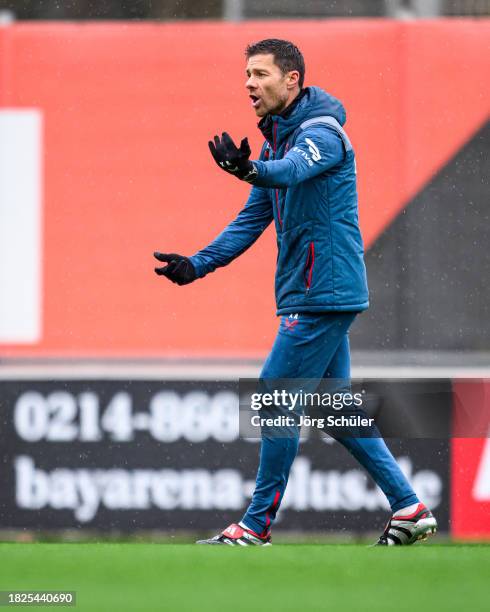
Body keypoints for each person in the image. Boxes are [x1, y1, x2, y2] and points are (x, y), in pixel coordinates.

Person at [153, 39, 437, 546]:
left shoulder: (321, 133)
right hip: (315, 292)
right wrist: (195, 265)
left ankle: (256, 526)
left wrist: (249, 170)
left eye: (260, 74)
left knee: (273, 396)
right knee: (332, 409)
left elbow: (291, 172)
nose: (248, 83)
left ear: (292, 80)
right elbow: (250, 220)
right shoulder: (275, 142)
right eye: (246, 74)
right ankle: (409, 508)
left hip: (322, 293)